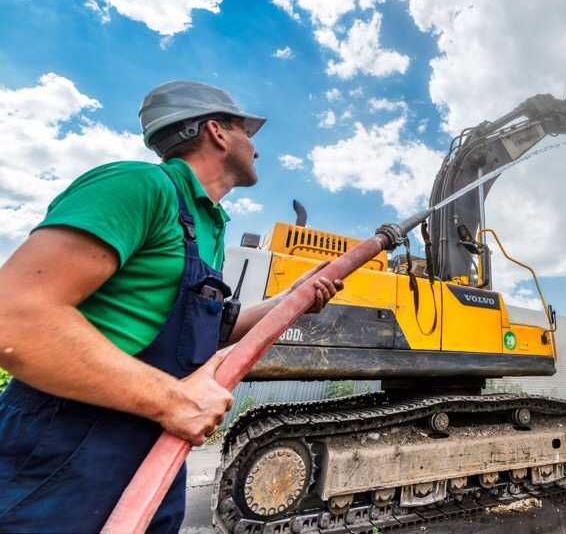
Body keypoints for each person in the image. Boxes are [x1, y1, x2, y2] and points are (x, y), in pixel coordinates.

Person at [0, 81, 342, 533]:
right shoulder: (139, 187)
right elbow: (14, 318)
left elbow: (217, 324)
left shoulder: (207, 226)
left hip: (153, 442)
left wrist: (294, 299)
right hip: (65, 445)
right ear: (218, 132)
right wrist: (172, 400)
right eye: (249, 133)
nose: (256, 149)